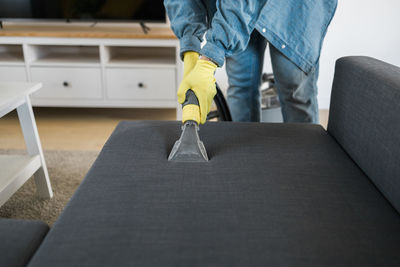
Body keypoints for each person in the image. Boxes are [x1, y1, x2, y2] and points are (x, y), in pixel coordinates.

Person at [164, 0, 337, 124]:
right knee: (241, 87)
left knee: (295, 91)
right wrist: (190, 49)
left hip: (292, 7)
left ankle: (307, 164)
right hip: (229, 6)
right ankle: (247, 162)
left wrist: (209, 58)